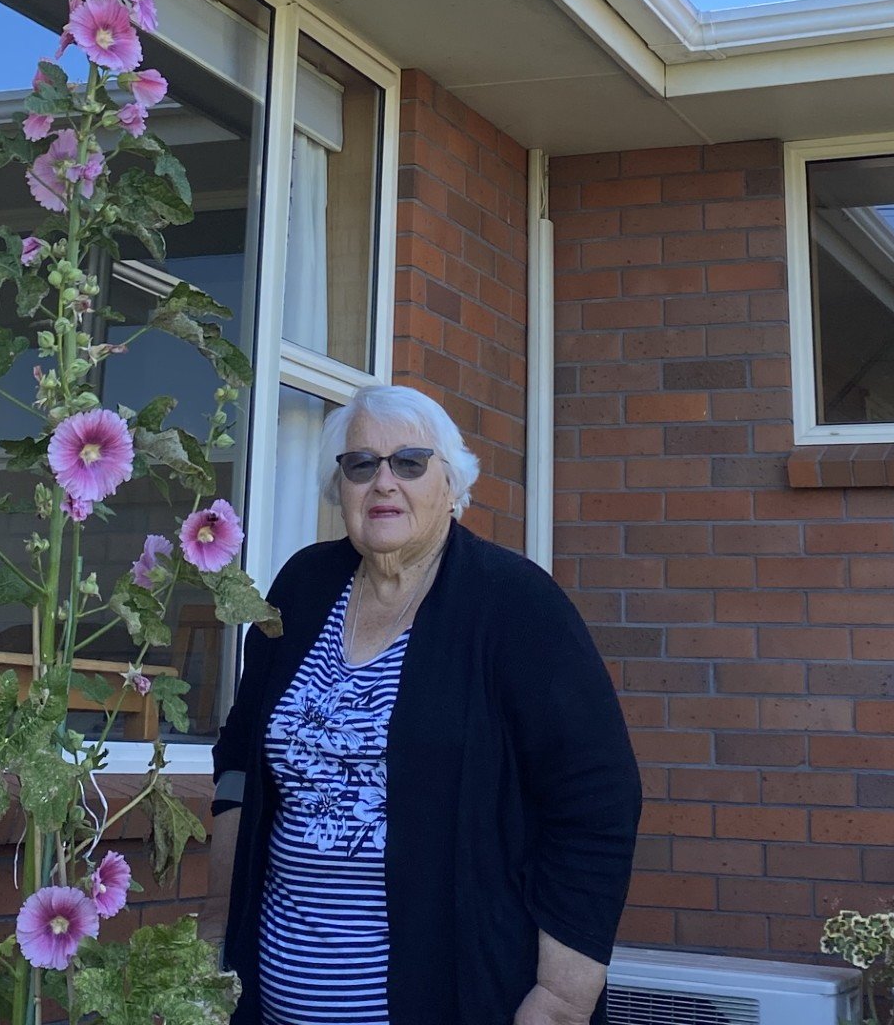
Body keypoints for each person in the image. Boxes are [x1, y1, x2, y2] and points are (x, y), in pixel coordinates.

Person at [205, 384, 642, 1025]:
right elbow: (240, 762)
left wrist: (563, 998)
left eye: (409, 462)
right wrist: (218, 927)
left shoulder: (515, 603)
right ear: (341, 488)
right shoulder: (302, 589)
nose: (384, 482)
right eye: (362, 465)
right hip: (276, 1000)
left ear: (451, 483)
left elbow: (598, 798)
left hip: (458, 993)